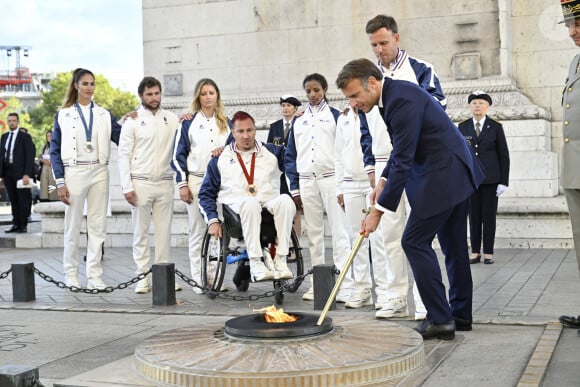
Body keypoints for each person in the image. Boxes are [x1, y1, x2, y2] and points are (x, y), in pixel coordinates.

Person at [336, 58, 485, 340]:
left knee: (413, 242)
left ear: (372, 82)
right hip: (456, 175)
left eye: (355, 96)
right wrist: (382, 181)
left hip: (442, 178)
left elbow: (404, 159)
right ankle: (460, 315)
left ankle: (440, 319)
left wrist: (377, 212)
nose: (353, 103)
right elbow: (402, 148)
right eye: (348, 98)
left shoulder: (399, 101)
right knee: (453, 246)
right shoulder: (395, 96)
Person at [363, 14, 446, 320]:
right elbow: (365, 127)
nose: (379, 50)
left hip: (414, 160)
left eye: (384, 43)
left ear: (397, 39)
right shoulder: (368, 77)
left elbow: (438, 109)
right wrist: (371, 169)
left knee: (419, 234)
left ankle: (424, 303)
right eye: (374, 45)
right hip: (385, 164)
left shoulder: (421, 70)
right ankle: (394, 296)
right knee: (387, 236)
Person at [50, 68, 125, 290]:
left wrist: (133, 119)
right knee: (72, 226)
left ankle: (94, 275)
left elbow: (122, 137)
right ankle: (70, 273)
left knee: (98, 226)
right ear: (76, 85)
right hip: (74, 171)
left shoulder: (104, 114)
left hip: (99, 171)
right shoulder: (63, 114)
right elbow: (54, 150)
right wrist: (60, 182)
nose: (89, 88)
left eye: (92, 84)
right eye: (85, 83)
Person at [198, 111, 295, 282]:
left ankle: (280, 258)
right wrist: (212, 220)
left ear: (255, 130)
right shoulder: (220, 158)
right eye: (240, 131)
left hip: (267, 208)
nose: (245, 136)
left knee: (286, 201)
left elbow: (295, 153)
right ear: (232, 133)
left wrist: (298, 121)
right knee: (250, 202)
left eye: (249, 130)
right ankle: (255, 261)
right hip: (235, 215)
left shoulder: (272, 151)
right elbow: (206, 193)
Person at [285, 73, 352, 302]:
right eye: (308, 91)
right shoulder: (298, 120)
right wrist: (294, 188)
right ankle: (317, 284)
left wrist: (342, 184)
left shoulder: (336, 116)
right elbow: (290, 154)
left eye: (316, 90)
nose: (312, 95)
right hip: (307, 180)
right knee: (314, 234)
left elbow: (343, 151)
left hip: (331, 178)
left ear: (324, 90)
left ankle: (344, 284)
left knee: (340, 232)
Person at [118, 76, 180, 294]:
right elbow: (123, 155)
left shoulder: (172, 119)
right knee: (140, 233)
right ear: (141, 96)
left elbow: (186, 135)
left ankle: (164, 276)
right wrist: (127, 186)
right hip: (140, 183)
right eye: (149, 94)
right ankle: (142, 277)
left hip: (164, 182)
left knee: (164, 233)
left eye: (156, 93)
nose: (154, 98)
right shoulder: (132, 121)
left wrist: (190, 116)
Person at [171, 78, 231, 293]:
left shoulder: (226, 122)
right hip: (196, 180)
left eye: (211, 93)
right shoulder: (188, 122)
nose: (208, 97)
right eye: (203, 93)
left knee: (217, 230)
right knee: (197, 231)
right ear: (198, 96)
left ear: (217, 95)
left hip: (221, 183)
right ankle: (199, 279)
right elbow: (178, 155)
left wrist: (224, 150)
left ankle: (214, 277)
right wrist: (182, 184)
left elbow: (236, 150)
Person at [458, 91, 510, 265]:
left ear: (487, 107)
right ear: (470, 106)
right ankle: (474, 252)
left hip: (491, 179)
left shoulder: (495, 127)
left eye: (481, 103)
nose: (477, 106)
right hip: (472, 180)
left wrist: (503, 181)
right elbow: (459, 155)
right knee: (473, 217)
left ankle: (488, 252)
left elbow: (504, 155)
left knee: (488, 217)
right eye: (474, 103)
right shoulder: (463, 127)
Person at [334, 102, 374, 308]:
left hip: (372, 181)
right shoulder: (344, 117)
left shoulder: (375, 112)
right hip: (350, 183)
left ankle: (386, 292)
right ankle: (362, 288)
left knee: (379, 240)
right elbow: (338, 155)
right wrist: (339, 187)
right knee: (356, 237)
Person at [558, 0, 580, 334]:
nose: (573, 31)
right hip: (575, 168)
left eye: (578, 23)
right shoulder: (576, 62)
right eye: (569, 24)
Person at [0, 112, 35, 233]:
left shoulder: (25, 136)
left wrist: (27, 173)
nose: (11, 123)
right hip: (8, 172)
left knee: (23, 199)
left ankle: (23, 225)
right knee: (13, 200)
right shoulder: (4, 137)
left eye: (14, 120)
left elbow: (30, 156)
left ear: (18, 121)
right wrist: (1, 175)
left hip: (21, 173)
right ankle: (15, 223)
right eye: (9, 121)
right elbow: (1, 155)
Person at [267, 94, 301, 196]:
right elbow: (269, 147)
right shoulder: (274, 126)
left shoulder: (299, 124)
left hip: (295, 167)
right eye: (283, 105)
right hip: (279, 169)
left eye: (289, 105)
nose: (285, 108)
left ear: (295, 108)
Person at [38, 130, 58, 201]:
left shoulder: (57, 146)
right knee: (44, 184)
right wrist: (43, 160)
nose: (49, 137)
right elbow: (40, 156)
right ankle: (44, 198)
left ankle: (53, 198)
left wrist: (51, 161)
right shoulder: (44, 147)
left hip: (53, 168)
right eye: (48, 136)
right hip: (45, 168)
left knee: (52, 184)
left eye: (51, 136)